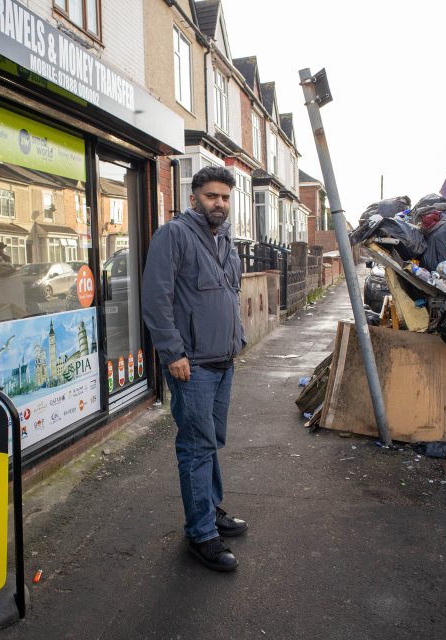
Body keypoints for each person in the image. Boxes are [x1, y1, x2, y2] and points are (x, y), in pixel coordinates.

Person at [142, 165, 247, 572]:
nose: (219, 203)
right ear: (193, 198)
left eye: (224, 197)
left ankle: (211, 509)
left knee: (211, 441)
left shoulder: (224, 240)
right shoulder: (174, 235)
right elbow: (156, 299)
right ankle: (201, 534)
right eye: (211, 196)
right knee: (196, 447)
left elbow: (229, 296)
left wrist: (236, 343)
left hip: (223, 361)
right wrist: (173, 354)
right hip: (193, 366)